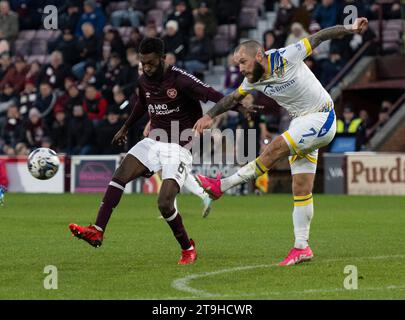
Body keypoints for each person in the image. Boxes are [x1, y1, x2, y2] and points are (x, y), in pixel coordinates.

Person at [193, 18, 369, 266]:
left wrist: (349, 29)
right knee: (301, 189)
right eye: (237, 64)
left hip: (322, 116)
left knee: (274, 147)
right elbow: (233, 98)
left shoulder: (288, 55)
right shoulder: (252, 80)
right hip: (301, 123)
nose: (240, 68)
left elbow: (319, 36)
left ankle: (222, 186)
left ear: (260, 56)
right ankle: (302, 247)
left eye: (243, 62)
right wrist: (209, 115)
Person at [68, 38, 227, 265]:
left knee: (164, 203)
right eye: (143, 63)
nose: (146, 68)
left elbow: (214, 95)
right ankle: (97, 229)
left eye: (151, 63)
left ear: (163, 58)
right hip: (154, 141)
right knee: (119, 175)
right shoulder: (144, 80)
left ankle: (187, 247)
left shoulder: (180, 80)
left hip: (179, 146)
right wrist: (125, 127)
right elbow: (142, 104)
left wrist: (226, 108)